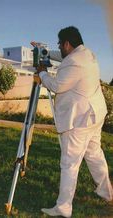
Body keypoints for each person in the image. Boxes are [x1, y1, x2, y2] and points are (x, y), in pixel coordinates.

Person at [36, 26, 113, 217]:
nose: (59, 48)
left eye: (60, 45)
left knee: (70, 163)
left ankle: (63, 207)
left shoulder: (74, 62)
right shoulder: (86, 54)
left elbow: (56, 86)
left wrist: (42, 72)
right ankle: (107, 192)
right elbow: (64, 57)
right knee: (95, 154)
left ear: (67, 44)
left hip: (80, 119)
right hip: (94, 115)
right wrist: (43, 52)